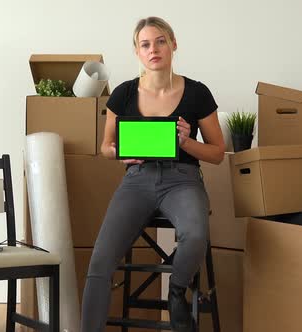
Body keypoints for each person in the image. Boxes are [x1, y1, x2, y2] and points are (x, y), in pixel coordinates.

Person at [80, 16, 225, 332]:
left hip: (183, 178)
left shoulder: (197, 93)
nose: (154, 49)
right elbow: (106, 146)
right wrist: (122, 153)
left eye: (160, 41)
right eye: (145, 44)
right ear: (137, 52)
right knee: (100, 262)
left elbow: (217, 153)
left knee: (196, 233)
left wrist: (188, 142)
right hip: (137, 180)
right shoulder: (124, 93)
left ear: (173, 44)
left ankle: (177, 291)